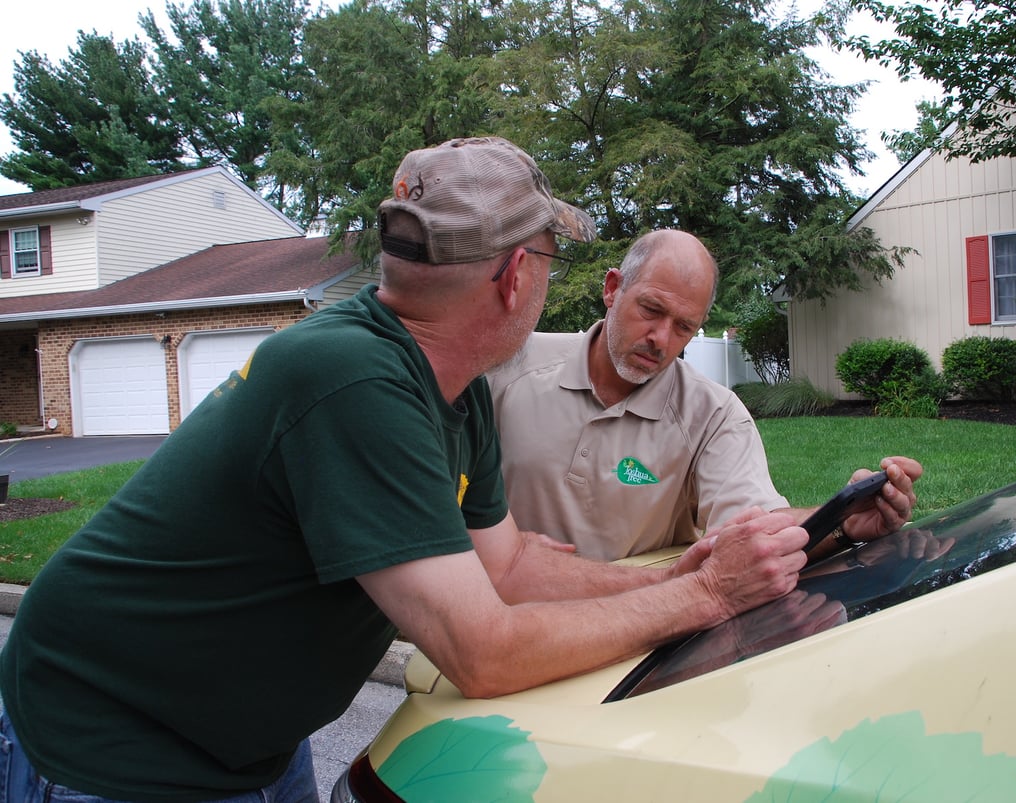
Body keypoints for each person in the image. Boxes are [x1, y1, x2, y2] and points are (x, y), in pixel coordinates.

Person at [0, 138, 814, 803]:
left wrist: (676, 574)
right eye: (549, 252)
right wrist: (706, 596)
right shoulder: (354, 381)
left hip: (245, 741)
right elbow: (484, 651)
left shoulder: (455, 389)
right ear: (512, 276)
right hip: (115, 742)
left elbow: (510, 565)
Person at [489, 229, 921, 562]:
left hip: (633, 629)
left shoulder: (712, 415)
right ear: (612, 288)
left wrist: (841, 520)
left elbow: (753, 530)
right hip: (507, 615)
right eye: (651, 310)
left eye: (683, 327)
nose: (660, 339)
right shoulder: (506, 366)